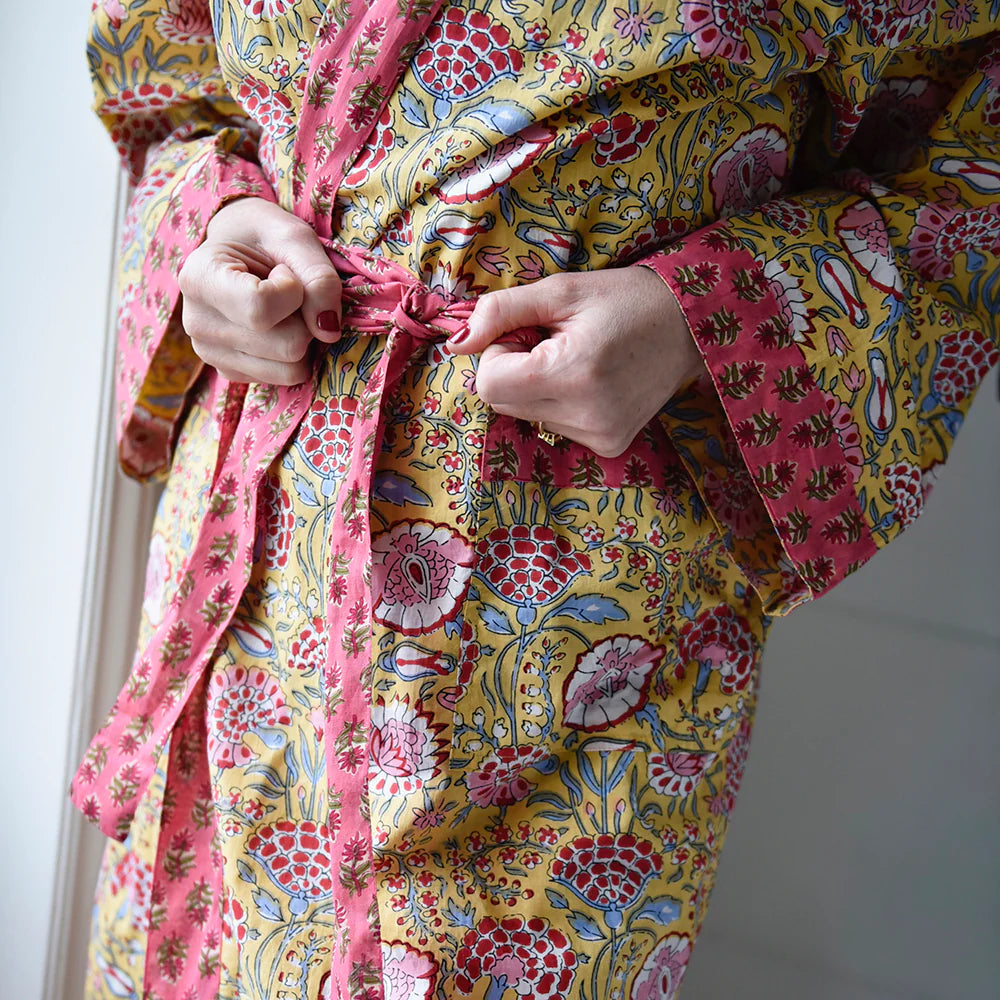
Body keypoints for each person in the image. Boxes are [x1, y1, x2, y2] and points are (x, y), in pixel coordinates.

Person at [75, 1, 999, 998]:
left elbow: (973, 180)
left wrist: (700, 318)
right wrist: (208, 234)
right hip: (251, 537)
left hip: (571, 621)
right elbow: (163, 86)